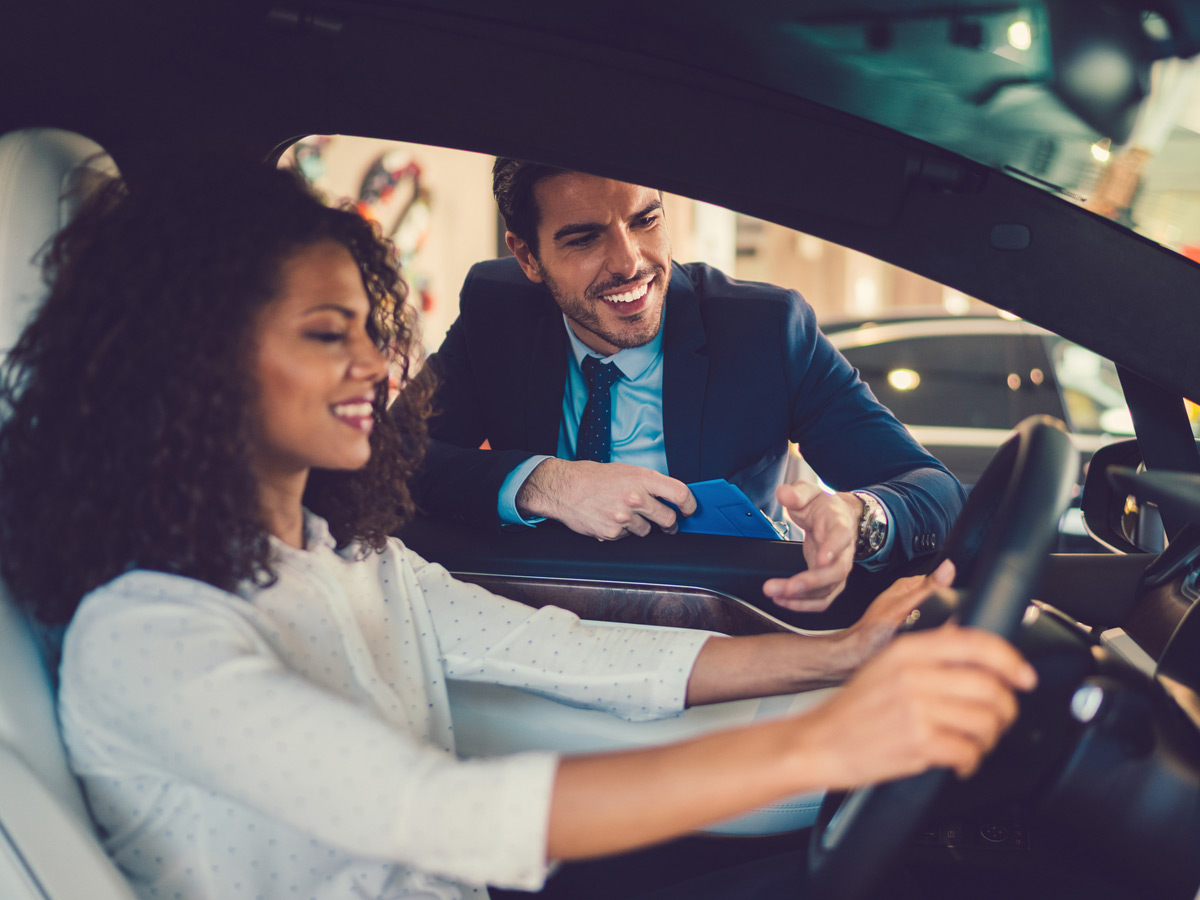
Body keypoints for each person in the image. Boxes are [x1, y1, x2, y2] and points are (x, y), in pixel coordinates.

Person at [0, 159, 1034, 900]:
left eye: (373, 329)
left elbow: (564, 648)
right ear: (194, 366)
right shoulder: (148, 635)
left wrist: (838, 654)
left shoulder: (349, 557)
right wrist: (829, 737)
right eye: (329, 336)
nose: (379, 369)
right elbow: (432, 808)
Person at [413, 158, 967, 610]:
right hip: (532, 623)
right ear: (528, 256)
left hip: (716, 625)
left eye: (645, 220)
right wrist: (548, 483)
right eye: (584, 240)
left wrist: (858, 518)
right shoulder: (496, 308)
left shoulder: (766, 330)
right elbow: (394, 457)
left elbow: (933, 490)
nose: (630, 263)